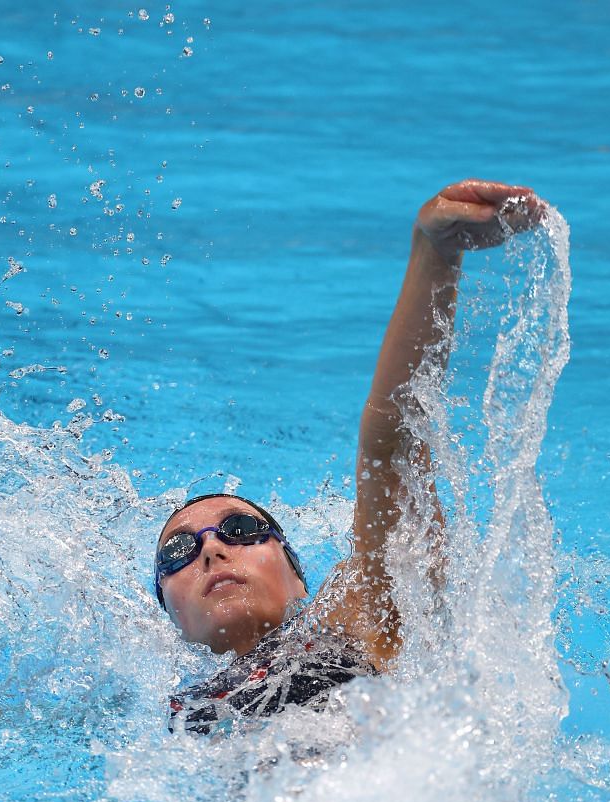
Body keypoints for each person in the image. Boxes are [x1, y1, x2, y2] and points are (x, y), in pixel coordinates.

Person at [154, 180, 546, 734]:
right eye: (177, 552)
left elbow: (392, 446)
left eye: (241, 529)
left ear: (297, 577)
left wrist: (436, 252)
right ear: (168, 617)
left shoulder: (355, 622)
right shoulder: (167, 711)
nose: (213, 549)